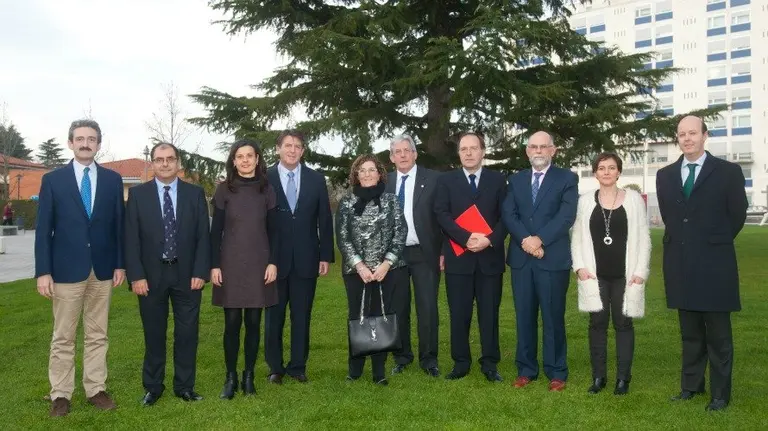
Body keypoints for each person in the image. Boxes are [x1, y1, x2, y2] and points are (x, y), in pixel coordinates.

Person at [656, 115, 748, 411]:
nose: (687, 138)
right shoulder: (665, 174)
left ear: (705, 135)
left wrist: (711, 242)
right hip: (680, 264)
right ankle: (691, 387)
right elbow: (672, 217)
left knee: (719, 335)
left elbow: (737, 215)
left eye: (692, 133)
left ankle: (720, 394)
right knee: (690, 332)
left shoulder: (728, 172)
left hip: (715, 265)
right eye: (681, 134)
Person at [35, 119, 125, 417]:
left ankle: (96, 389)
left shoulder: (113, 180)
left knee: (98, 333)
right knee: (63, 336)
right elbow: (43, 229)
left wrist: (120, 265)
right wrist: (43, 271)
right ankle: (60, 394)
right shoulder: (53, 180)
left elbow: (118, 227)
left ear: (99, 143)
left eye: (92, 139)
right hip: (65, 271)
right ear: (70, 142)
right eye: (80, 138)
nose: (86, 143)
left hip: (102, 270)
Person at [125, 142, 211, 406]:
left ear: (178, 163)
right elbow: (131, 239)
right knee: (154, 333)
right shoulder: (138, 195)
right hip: (150, 277)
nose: (165, 164)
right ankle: (153, 387)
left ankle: (185, 386)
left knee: (187, 333)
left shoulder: (195, 194)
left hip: (187, 275)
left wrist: (200, 271)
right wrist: (136, 276)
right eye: (159, 159)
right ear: (152, 163)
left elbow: (202, 237)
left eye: (170, 159)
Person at [501, 131, 578, 391]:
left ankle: (557, 371)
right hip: (522, 259)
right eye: (533, 147)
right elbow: (509, 214)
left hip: (552, 258)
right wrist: (526, 240)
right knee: (524, 316)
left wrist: (540, 239)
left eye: (543, 147)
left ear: (553, 150)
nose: (538, 151)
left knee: (553, 317)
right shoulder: (516, 180)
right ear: (527, 151)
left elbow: (566, 215)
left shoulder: (567, 178)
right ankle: (526, 369)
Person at [571, 152, 651, 395]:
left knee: (623, 323)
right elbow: (577, 237)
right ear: (595, 173)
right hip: (595, 275)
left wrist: (640, 272)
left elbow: (645, 237)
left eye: (611, 167)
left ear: (619, 172)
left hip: (625, 275)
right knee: (597, 324)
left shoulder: (634, 199)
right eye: (601, 168)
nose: (606, 172)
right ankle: (599, 378)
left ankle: (623, 380)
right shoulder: (585, 201)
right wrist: (580, 267)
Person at [434, 132, 507, 382]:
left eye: (473, 148)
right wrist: (464, 238)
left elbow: (505, 216)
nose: (468, 153)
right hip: (459, 259)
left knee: (489, 314)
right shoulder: (446, 181)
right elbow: (441, 214)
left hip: (490, 259)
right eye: (464, 149)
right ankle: (461, 363)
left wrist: (489, 240)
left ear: (482, 151)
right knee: (459, 313)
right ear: (459, 154)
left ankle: (490, 363)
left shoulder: (498, 180)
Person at [264, 130, 334, 384]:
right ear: (278, 149)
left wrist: (325, 255)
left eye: (297, 146)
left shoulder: (316, 179)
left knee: (301, 315)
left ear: (303, 151)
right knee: (274, 316)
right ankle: (275, 367)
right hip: (273, 260)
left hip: (307, 257)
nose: (292, 150)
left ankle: (297, 366)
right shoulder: (265, 178)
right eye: (288, 145)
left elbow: (324, 219)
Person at [210, 140, 278, 398]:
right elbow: (215, 232)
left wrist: (273, 262)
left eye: (250, 156)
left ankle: (248, 375)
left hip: (260, 264)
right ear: (234, 160)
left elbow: (275, 231)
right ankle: (231, 377)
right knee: (232, 322)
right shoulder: (223, 190)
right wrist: (214, 265)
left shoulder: (267, 190)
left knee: (253, 321)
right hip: (230, 264)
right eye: (240, 156)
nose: (245, 160)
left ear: (258, 159)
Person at [336, 154, 407, 385]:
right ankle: (354, 370)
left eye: (371, 170)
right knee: (358, 317)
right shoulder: (346, 203)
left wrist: (387, 263)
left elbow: (400, 233)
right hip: (356, 272)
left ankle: (379, 373)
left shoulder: (391, 201)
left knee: (381, 317)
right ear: (356, 175)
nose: (367, 174)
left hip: (387, 270)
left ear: (380, 174)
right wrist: (359, 265)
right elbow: (343, 237)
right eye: (362, 170)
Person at [386, 134, 443, 377]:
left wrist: (443, 251)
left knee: (427, 308)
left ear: (415, 154)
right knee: (398, 308)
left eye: (406, 150)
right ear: (391, 157)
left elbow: (443, 216)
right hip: (394, 255)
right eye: (397, 152)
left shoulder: (434, 180)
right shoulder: (385, 182)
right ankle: (401, 356)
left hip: (425, 252)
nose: (402, 155)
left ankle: (429, 359)